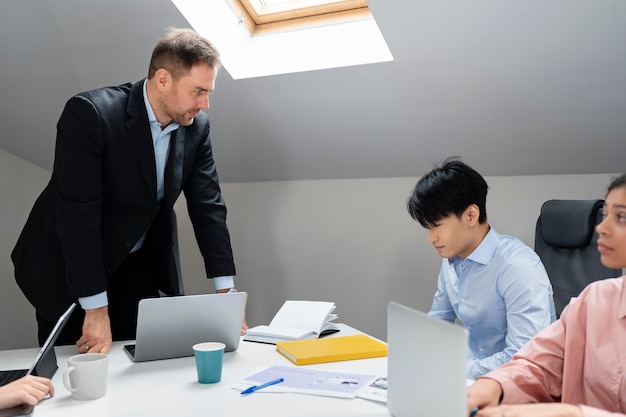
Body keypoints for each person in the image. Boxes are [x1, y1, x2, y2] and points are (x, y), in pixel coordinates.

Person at [11, 27, 246, 354]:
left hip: (135, 263)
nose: (204, 104)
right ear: (164, 79)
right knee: (75, 368)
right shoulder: (90, 114)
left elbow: (209, 209)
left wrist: (226, 295)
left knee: (139, 358)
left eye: (208, 92)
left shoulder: (197, 129)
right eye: (197, 91)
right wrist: (95, 309)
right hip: (70, 262)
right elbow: (79, 217)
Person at [467, 173, 626, 417]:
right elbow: (537, 365)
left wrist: (574, 414)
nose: (601, 228)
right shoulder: (594, 300)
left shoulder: (516, 265)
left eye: (621, 217)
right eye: (605, 215)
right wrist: (494, 385)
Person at [406, 157, 556, 380]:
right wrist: (415, 356)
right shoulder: (452, 259)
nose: (431, 238)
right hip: (471, 378)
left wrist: (453, 371)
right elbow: (437, 321)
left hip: (518, 386)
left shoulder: (518, 267)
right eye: (428, 227)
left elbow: (524, 359)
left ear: (471, 215)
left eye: (436, 226)